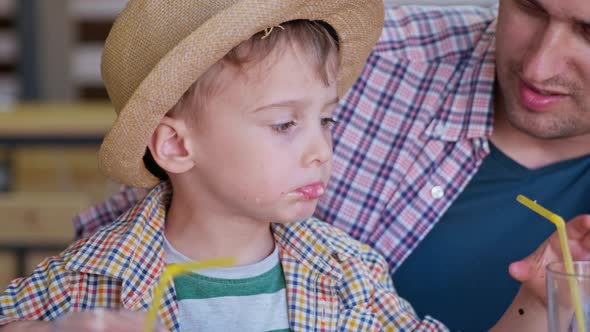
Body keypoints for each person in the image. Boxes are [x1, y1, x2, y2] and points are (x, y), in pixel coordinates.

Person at [68, 0, 590, 330]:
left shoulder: (349, 275)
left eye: (588, 32)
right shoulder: (330, 53)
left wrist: (541, 305)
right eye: (529, 8)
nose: (541, 64)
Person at [1, 0, 453, 330]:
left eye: (327, 119)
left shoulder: (352, 275)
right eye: (283, 124)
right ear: (176, 145)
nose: (322, 150)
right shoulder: (83, 282)